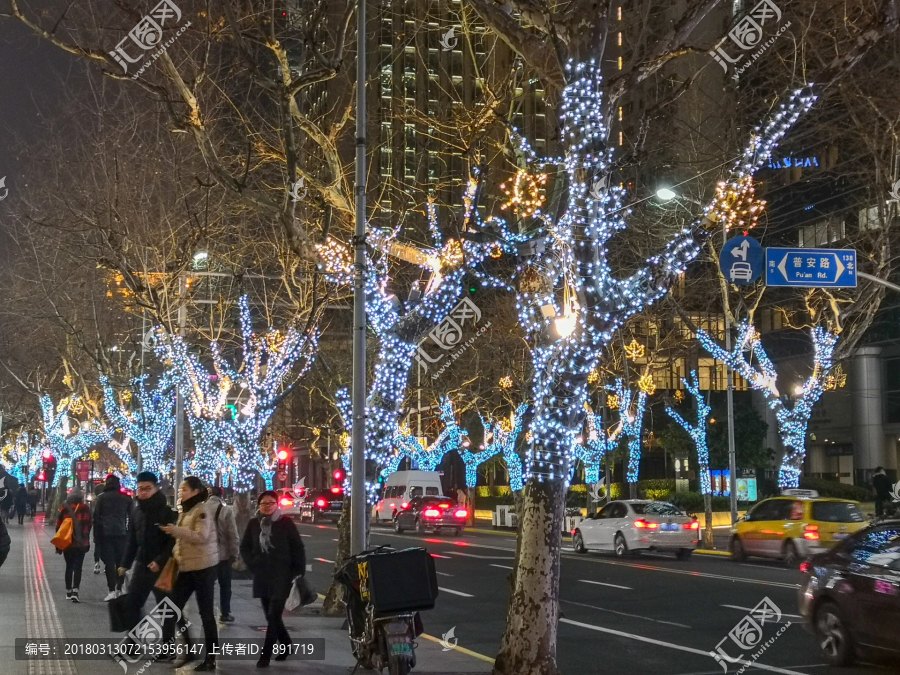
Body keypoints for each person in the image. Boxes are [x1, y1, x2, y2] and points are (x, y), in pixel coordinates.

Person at [240, 490, 306, 668]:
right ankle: (286, 644)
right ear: (259, 505)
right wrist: (252, 562)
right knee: (271, 617)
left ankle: (265, 655)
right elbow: (244, 546)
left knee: (273, 614)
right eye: (263, 503)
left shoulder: (286, 523)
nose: (267, 506)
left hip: (282, 575)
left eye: (270, 503)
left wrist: (298, 572)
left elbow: (298, 548)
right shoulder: (254, 524)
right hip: (262, 575)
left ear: (277, 504)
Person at [160, 477, 219, 671]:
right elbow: (183, 540)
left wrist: (175, 530)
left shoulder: (201, 510)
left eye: (184, 489)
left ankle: (210, 657)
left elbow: (201, 537)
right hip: (186, 567)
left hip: (203, 568)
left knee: (206, 613)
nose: (180, 492)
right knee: (173, 608)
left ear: (195, 491)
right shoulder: (187, 509)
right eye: (180, 489)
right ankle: (190, 648)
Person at [118, 472, 178, 652]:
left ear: (156, 488)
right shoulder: (137, 511)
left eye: (147, 489)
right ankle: (134, 642)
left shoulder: (166, 512)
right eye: (140, 489)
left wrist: (159, 561)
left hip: (163, 566)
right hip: (142, 564)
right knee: (132, 603)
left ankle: (168, 647)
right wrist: (124, 564)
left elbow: (172, 541)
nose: (143, 492)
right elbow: (132, 540)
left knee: (165, 608)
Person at [93, 475, 133, 600]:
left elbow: (96, 518)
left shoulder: (101, 498)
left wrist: (96, 537)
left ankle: (111, 590)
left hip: (105, 534)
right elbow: (132, 518)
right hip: (122, 534)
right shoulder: (127, 498)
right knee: (121, 563)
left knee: (109, 563)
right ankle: (119, 588)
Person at [207, 487, 239, 623]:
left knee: (208, 586)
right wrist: (234, 553)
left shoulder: (201, 509)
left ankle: (207, 612)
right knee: (225, 585)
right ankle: (225, 613)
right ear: (221, 495)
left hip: (206, 554)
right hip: (223, 555)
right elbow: (233, 534)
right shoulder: (226, 510)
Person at [55, 490, 92, 602]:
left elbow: (58, 527)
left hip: (67, 543)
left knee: (69, 566)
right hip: (80, 543)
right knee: (78, 567)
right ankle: (75, 591)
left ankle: (68, 591)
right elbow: (88, 525)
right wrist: (84, 539)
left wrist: (58, 545)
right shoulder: (85, 508)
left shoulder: (63, 508)